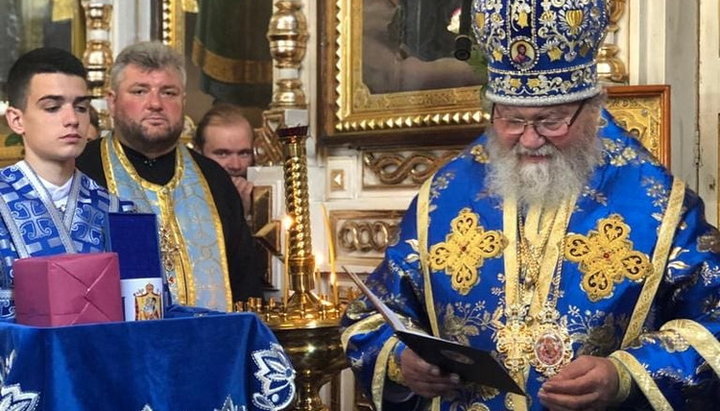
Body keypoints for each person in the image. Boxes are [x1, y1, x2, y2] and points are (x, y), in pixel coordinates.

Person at [342, 1, 720, 410]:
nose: (529, 139)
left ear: (591, 110)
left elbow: (713, 324)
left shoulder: (658, 203)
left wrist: (623, 375)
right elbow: (370, 314)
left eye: (550, 121)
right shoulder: (444, 195)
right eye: (511, 120)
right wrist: (400, 360)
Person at [76, 41, 263, 311]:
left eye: (168, 92)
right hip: (123, 348)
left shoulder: (214, 179)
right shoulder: (83, 172)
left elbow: (245, 280)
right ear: (112, 101)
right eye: (140, 91)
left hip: (213, 345)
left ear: (183, 102)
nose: (155, 104)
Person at [0, 47, 133, 321]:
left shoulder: (117, 212)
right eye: (52, 107)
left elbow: (144, 310)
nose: (72, 119)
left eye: (81, 107)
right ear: (16, 119)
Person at [193, 103, 255, 219]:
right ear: (198, 153)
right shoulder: (185, 198)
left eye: (244, 153)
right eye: (222, 154)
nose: (235, 165)